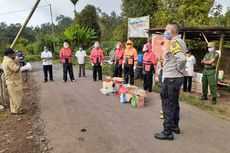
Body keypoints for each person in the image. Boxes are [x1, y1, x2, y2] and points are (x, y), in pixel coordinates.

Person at [154, 23, 187, 140]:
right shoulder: (181, 41)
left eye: (166, 30)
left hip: (171, 78)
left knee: (167, 104)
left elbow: (182, 58)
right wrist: (180, 70)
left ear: (172, 31)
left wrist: (180, 68)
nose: (165, 32)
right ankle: (174, 126)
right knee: (174, 103)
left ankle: (167, 132)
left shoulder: (174, 42)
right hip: (176, 78)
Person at [1, 48, 31, 115]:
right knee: (17, 97)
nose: (15, 54)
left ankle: (14, 110)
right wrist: (19, 63)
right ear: (9, 54)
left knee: (13, 97)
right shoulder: (9, 61)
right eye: (13, 53)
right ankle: (17, 110)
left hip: (11, 82)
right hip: (14, 82)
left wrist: (15, 59)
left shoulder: (6, 59)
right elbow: (16, 69)